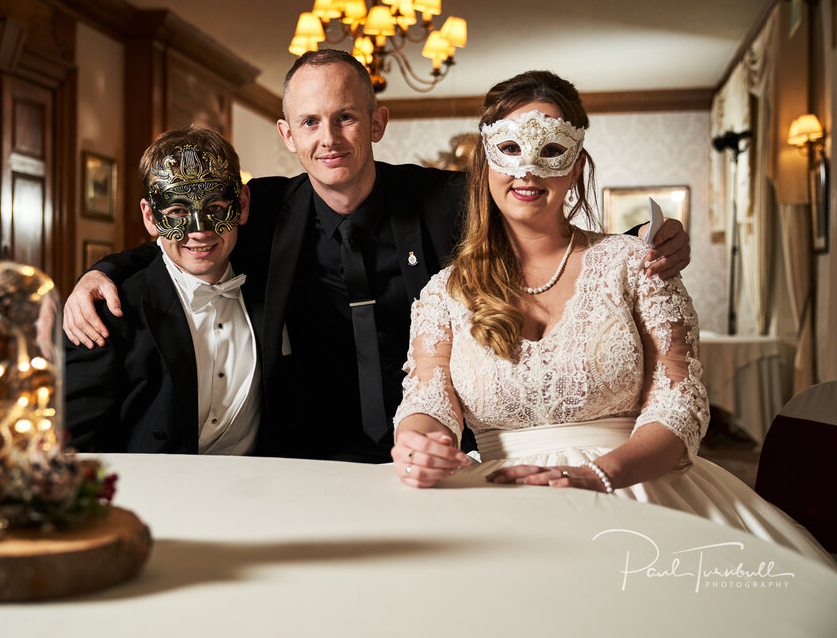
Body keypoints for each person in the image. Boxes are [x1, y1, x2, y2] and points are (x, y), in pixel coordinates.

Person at [63, 50, 691, 463]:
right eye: (309, 122)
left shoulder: (449, 201)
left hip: (439, 446)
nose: (328, 139)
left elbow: (539, 216)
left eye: (345, 118)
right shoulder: (261, 210)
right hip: (303, 451)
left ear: (378, 122)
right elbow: (180, 237)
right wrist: (100, 273)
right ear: (287, 135)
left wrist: (649, 237)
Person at [390, 70, 833, 565]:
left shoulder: (639, 263)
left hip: (638, 490)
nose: (528, 171)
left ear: (577, 165)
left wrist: (601, 475)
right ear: (484, 164)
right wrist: (418, 442)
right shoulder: (445, 291)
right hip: (500, 501)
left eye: (551, 150)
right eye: (510, 148)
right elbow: (428, 399)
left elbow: (681, 405)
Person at [64, 127, 261, 455]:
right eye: (178, 212)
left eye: (214, 208)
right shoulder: (104, 311)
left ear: (241, 204)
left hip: (261, 493)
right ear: (150, 216)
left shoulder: (273, 279)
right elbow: (73, 444)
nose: (199, 231)